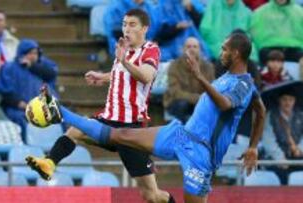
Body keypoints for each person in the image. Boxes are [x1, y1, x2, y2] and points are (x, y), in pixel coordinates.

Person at [26, 33, 266, 203]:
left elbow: (227, 105)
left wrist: (200, 78)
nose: (221, 52)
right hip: (181, 134)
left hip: (201, 154)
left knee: (159, 196)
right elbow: (260, 109)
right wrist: (253, 146)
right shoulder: (228, 77)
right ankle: (60, 111)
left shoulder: (244, 83)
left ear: (236, 53)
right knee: (121, 134)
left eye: (225, 49)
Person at [27, 9, 176, 203]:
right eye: (124, 24)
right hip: (108, 119)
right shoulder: (123, 49)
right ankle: (49, 163)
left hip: (131, 130)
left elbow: (146, 76)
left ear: (145, 28)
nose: (126, 29)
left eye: (132, 25)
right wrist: (104, 76)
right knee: (75, 131)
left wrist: (123, 60)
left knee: (152, 196)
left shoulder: (150, 50)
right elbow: (122, 74)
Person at [0, 38, 58, 138]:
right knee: (21, 119)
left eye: (35, 53)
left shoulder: (42, 67)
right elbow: (5, 91)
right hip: (17, 109)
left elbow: (52, 74)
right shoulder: (9, 68)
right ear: (22, 54)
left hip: (41, 108)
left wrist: (32, 67)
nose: (33, 56)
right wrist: (19, 103)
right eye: (30, 53)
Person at [163, 37, 214, 123]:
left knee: (209, 107)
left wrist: (201, 100)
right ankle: (181, 133)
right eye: (188, 46)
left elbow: (211, 89)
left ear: (200, 50)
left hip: (199, 103)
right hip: (178, 102)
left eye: (195, 47)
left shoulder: (208, 67)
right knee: (183, 104)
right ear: (183, 49)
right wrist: (197, 98)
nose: (192, 49)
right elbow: (175, 92)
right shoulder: (174, 65)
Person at [262, 87, 303, 185]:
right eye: (284, 99)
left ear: (294, 101)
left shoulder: (301, 115)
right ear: (279, 100)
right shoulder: (271, 116)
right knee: (281, 176)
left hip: (297, 156)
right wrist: (280, 158)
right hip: (276, 157)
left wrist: (300, 149)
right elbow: (268, 140)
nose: (287, 103)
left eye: (290, 100)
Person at [250, 0, 303, 64]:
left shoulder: (300, 12)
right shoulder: (260, 13)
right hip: (269, 49)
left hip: (295, 50)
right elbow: (256, 36)